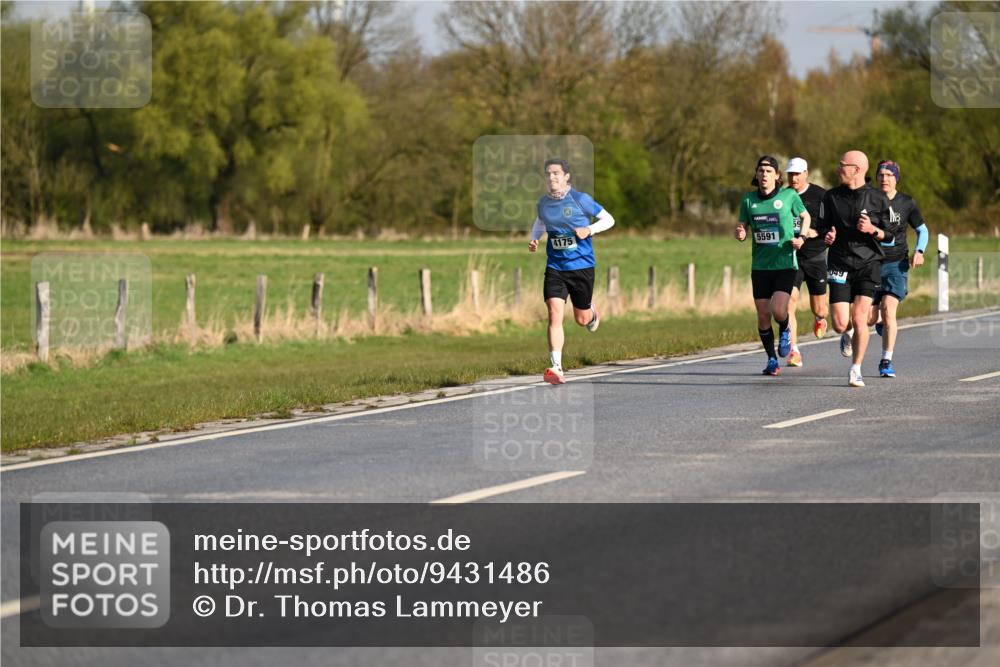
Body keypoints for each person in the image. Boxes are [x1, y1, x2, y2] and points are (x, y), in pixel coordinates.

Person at [529, 158, 615, 385]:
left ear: (566, 176)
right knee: (554, 313)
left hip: (582, 266)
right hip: (555, 266)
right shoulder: (544, 203)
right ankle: (556, 367)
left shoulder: (580, 199)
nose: (551, 177)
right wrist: (535, 238)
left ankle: (591, 312)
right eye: (548, 174)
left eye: (556, 173)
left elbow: (609, 219)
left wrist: (589, 228)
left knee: (581, 318)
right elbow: (539, 222)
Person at [819, 150, 894, 387]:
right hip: (840, 262)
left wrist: (873, 229)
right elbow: (822, 228)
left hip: (868, 263)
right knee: (841, 323)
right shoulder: (830, 197)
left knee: (861, 318)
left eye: (843, 165)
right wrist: (827, 236)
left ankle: (856, 369)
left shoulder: (878, 198)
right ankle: (847, 333)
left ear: (857, 170)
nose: (838, 169)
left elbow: (890, 236)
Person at [735, 155, 808, 376]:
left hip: (785, 262)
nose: (764, 175)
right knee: (763, 315)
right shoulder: (748, 200)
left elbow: (806, 217)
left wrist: (802, 238)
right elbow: (742, 225)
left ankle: (785, 328)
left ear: (777, 176)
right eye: (760, 171)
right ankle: (771, 360)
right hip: (760, 266)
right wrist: (740, 232)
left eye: (768, 171)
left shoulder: (789, 196)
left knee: (778, 309)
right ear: (756, 175)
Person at [866, 160, 930, 377]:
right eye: (881, 175)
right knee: (868, 319)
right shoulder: (869, 200)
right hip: (871, 262)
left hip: (896, 263)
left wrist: (919, 252)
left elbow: (923, 230)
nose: (884, 179)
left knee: (888, 308)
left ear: (896, 178)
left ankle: (886, 361)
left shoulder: (907, 203)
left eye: (889, 175)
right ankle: (879, 325)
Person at [784, 157, 829, 367]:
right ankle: (794, 351)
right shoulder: (783, 196)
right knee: (788, 304)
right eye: (790, 174)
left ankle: (820, 318)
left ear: (806, 174)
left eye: (797, 174)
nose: (793, 178)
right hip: (791, 257)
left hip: (816, 255)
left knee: (819, 308)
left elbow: (831, 224)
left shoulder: (820, 196)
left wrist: (815, 232)